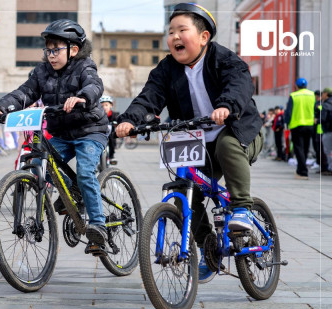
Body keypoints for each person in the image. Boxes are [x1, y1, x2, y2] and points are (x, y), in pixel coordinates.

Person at [115, 3, 263, 283]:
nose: (174, 37)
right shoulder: (167, 69)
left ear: (204, 37)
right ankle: (208, 250)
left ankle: (242, 207)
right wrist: (130, 120)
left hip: (239, 131)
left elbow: (239, 84)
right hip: (194, 140)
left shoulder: (224, 59)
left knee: (226, 145)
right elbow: (149, 98)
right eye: (171, 32)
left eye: (182, 30)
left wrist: (226, 107)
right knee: (186, 192)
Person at [0, 19, 110, 249]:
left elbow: (94, 85)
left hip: (90, 131)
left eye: (57, 49)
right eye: (48, 50)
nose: (51, 55)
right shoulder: (42, 72)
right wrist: (0, 108)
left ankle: (98, 225)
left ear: (73, 50)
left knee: (85, 172)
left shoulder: (84, 66)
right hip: (61, 133)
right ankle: (73, 194)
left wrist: (83, 97)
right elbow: (24, 93)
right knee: (41, 166)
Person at [284, 78, 315, 180]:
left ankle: (303, 171)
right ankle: (300, 170)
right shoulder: (312, 95)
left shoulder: (294, 95)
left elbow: (288, 112)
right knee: (305, 149)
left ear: (296, 86)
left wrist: (287, 123)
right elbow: (316, 109)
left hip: (297, 125)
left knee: (298, 148)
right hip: (309, 125)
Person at [99, 95, 119, 165]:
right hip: (101, 134)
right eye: (102, 105)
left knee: (112, 141)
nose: (104, 107)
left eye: (106, 105)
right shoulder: (98, 115)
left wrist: (117, 123)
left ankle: (111, 156)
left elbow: (118, 120)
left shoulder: (114, 115)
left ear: (111, 105)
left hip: (110, 134)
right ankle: (96, 161)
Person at [320, 87, 332, 176]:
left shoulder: (325, 105)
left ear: (326, 94)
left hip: (328, 130)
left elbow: (323, 119)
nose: (322, 95)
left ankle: (330, 168)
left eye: (323, 93)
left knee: (328, 151)